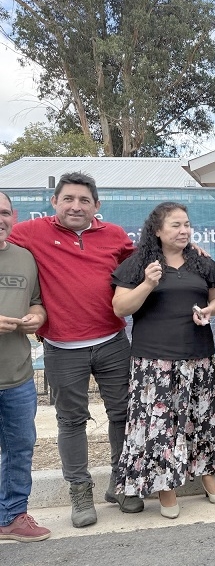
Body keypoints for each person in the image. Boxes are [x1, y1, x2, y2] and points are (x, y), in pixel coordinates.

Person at [7, 172, 143, 527]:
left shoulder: (113, 235)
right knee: (71, 422)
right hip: (61, 348)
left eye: (84, 200)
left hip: (113, 343)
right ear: (54, 203)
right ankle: (80, 492)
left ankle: (122, 482)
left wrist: (191, 249)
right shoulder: (29, 234)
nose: (75, 206)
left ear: (96, 206)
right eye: (68, 199)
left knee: (123, 414)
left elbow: (146, 259)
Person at [111, 202, 215, 518]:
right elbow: (121, 308)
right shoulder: (139, 263)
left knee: (202, 420)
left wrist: (210, 310)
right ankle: (166, 487)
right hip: (155, 362)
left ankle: (207, 474)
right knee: (162, 427)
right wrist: (148, 283)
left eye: (187, 224)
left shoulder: (201, 261)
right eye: (176, 225)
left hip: (198, 356)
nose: (184, 230)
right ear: (157, 230)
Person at [0, 191, 51, 543]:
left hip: (17, 376)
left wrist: (37, 316)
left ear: (13, 217)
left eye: (4, 212)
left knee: (20, 448)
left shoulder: (24, 258)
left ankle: (13, 515)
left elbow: (36, 301)